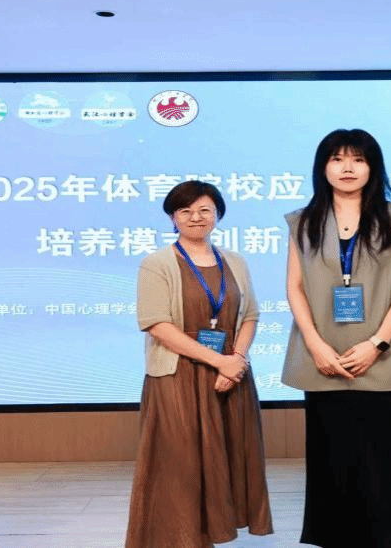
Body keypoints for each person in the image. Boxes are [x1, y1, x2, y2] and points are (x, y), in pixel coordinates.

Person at [281, 128, 391, 548]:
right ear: (323, 167)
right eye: (337, 159)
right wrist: (315, 344)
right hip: (323, 356)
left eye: (358, 159)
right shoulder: (302, 222)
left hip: (382, 355)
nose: (347, 168)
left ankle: (386, 538)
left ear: (373, 167)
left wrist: (377, 343)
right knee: (330, 458)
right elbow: (294, 286)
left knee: (381, 458)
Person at [124, 180, 273, 548]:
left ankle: (210, 534)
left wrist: (236, 361)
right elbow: (157, 324)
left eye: (205, 210)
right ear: (173, 218)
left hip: (230, 376)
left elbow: (250, 316)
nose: (196, 217)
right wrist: (218, 361)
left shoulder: (235, 261)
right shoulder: (156, 263)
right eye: (185, 211)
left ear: (217, 215)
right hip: (178, 376)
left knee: (226, 462)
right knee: (181, 467)